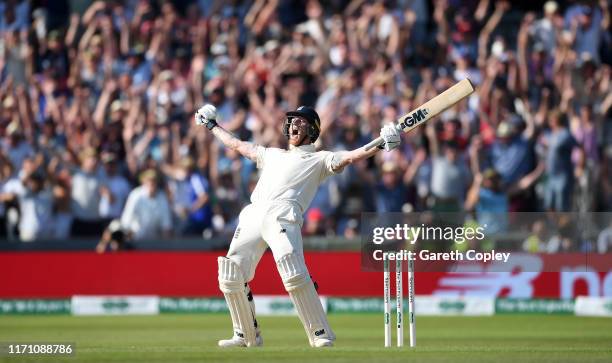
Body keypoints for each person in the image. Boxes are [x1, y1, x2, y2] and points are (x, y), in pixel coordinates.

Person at [195, 104, 400, 348]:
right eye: (292, 120)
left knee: (293, 272)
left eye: (301, 122)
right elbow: (238, 145)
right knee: (230, 274)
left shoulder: (320, 159)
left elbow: (352, 155)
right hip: (253, 212)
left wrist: (381, 143)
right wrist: (212, 126)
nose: (294, 125)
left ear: (312, 130)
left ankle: (320, 333)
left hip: (284, 215)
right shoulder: (272, 154)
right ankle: (246, 335)